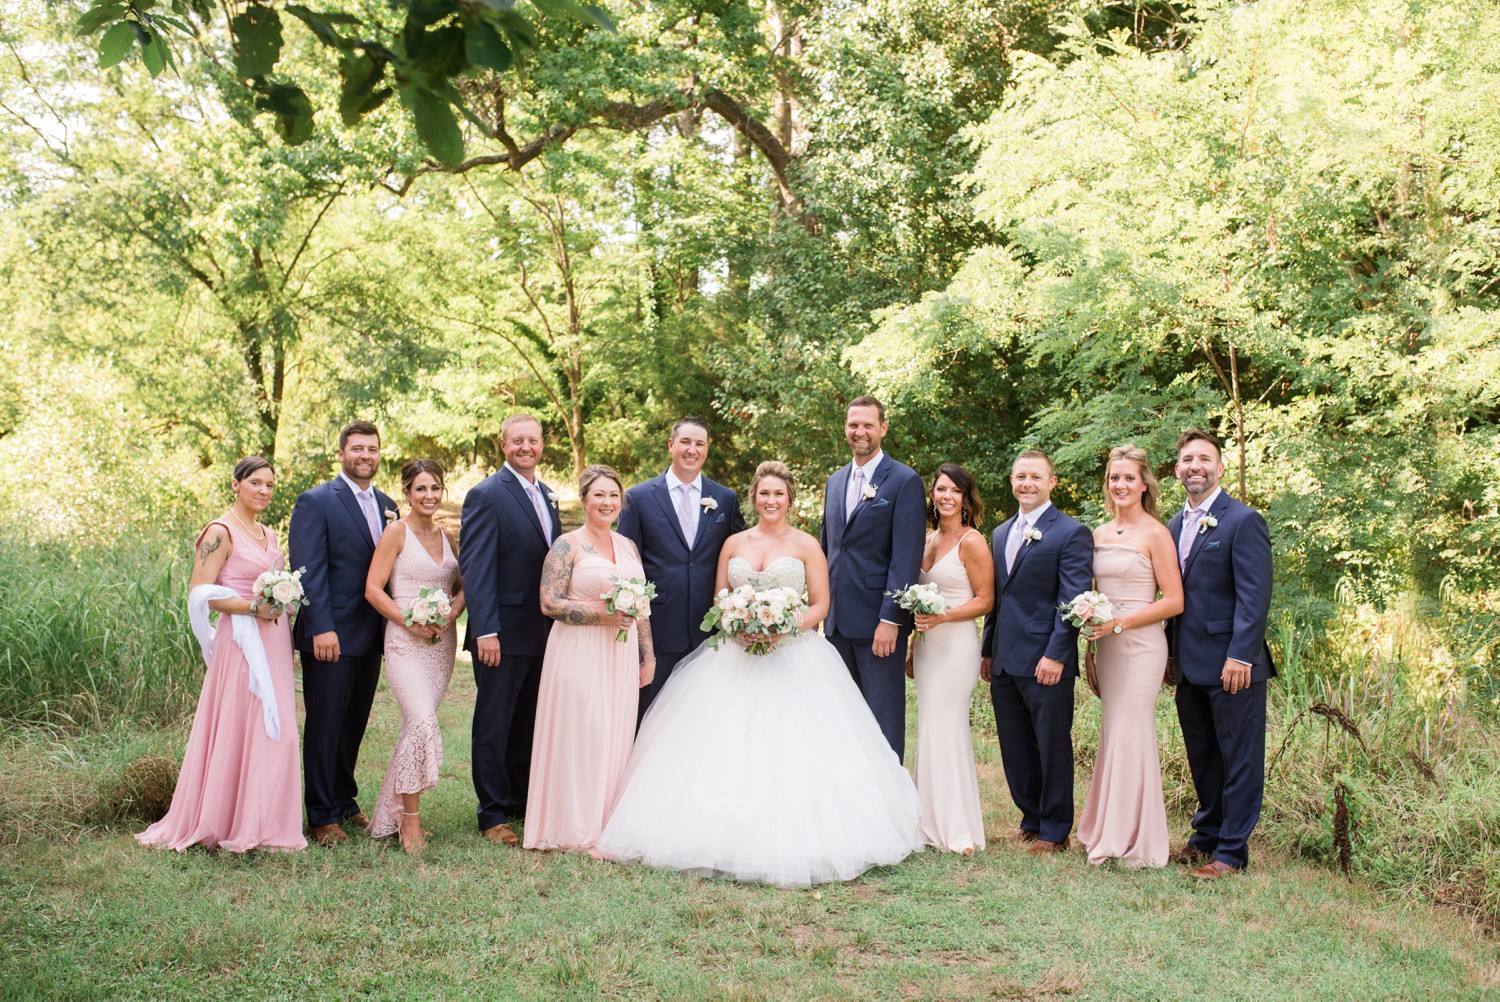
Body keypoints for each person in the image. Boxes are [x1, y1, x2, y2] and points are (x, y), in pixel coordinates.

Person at [598, 461, 923, 887]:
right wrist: (738, 624)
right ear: (754, 497)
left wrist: (782, 627)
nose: (771, 501)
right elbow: (720, 596)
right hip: (736, 654)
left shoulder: (807, 545)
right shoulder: (733, 543)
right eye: (764, 494)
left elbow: (820, 604)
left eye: (779, 494)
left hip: (794, 654)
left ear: (790, 499)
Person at [138, 458, 305, 852]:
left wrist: (285, 602)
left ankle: (269, 826)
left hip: (275, 638)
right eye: (255, 483)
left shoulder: (269, 533)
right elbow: (200, 592)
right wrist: (252, 608)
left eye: (269, 485)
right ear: (236, 484)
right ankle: (225, 821)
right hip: (241, 639)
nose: (263, 491)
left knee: (276, 727)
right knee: (241, 723)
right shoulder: (220, 531)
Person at [524, 465, 654, 853]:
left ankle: (604, 825)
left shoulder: (628, 546)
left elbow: (640, 605)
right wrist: (603, 615)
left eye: (613, 496)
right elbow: (548, 603)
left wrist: (647, 655)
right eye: (599, 495)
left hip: (620, 652)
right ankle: (574, 829)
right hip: (578, 650)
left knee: (614, 733)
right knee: (584, 732)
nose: (607, 502)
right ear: (584, 500)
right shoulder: (568, 545)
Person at [1166, 430, 1276, 879]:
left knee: (1239, 757)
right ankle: (1205, 835)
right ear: (1176, 470)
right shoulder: (1172, 525)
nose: (1195, 466)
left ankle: (1231, 852)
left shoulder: (1242, 520)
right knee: (1204, 756)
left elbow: (1255, 596)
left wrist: (1241, 656)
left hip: (1234, 665)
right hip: (1189, 664)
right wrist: (1170, 656)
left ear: (1220, 468)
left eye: (1204, 459)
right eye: (1187, 459)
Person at [458, 414, 565, 846]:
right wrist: (485, 629)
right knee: (494, 722)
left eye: (533, 441)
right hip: (499, 634)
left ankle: (520, 800)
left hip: (541, 632)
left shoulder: (548, 495)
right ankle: (492, 812)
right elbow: (476, 566)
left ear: (542, 446)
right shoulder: (486, 495)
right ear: (503, 445)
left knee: (529, 722)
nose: (526, 447)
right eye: (517, 440)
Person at [980, 450, 1094, 853]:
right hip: (1006, 658)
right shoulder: (999, 533)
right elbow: (998, 598)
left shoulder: (1071, 532)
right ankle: (1030, 816)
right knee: (1014, 743)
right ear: (1011, 481)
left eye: (1035, 476)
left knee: (1051, 743)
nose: (1026, 483)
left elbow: (1073, 600)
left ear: (1052, 482)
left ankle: (1055, 828)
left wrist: (1057, 655)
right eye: (1019, 476)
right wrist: (987, 650)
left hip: (1046, 658)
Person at [1075, 445, 1184, 867]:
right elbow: (1096, 597)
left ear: (1144, 485)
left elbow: (1174, 600)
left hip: (1141, 646)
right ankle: (1107, 826)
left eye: (1128, 478)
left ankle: (1129, 837)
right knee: (1111, 730)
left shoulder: (1155, 533)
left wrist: (1120, 624)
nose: (1120, 485)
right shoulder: (1099, 534)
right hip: (1106, 645)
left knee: (1130, 730)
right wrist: (1091, 643)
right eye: (1114, 478)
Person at [289, 421, 397, 845]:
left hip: (371, 634)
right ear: (341, 454)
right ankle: (319, 814)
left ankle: (344, 800)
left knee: (354, 721)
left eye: (372, 449)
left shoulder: (389, 505)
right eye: (357, 448)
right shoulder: (316, 501)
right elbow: (308, 569)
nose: (365, 455)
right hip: (331, 635)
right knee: (326, 722)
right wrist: (322, 627)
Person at [364, 460, 465, 854]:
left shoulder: (447, 534)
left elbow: (462, 587)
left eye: (435, 488)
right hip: (405, 642)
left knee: (414, 728)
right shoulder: (396, 532)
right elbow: (373, 589)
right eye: (421, 489)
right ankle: (410, 821)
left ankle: (386, 815)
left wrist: (451, 614)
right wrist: (409, 620)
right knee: (421, 721)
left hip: (440, 644)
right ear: (406, 492)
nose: (429, 496)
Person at [618, 416, 746, 724]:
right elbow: (624, 563)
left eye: (699, 444)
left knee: (703, 722)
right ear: (671, 445)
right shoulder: (638, 498)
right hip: (658, 630)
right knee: (649, 719)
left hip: (710, 633)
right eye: (685, 442)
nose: (692, 450)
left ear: (707, 450)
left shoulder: (725, 499)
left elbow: (741, 555)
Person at [821, 396, 926, 760]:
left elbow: (906, 558)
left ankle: (889, 808)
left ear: (883, 428)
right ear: (845, 428)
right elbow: (829, 550)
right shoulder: (835, 481)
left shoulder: (904, 481)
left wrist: (891, 619)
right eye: (853, 425)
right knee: (841, 719)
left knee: (882, 721)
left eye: (868, 424)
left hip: (877, 625)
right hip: (835, 625)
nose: (859, 432)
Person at [905, 463, 994, 854]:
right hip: (927, 647)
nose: (946, 496)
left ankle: (958, 831)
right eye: (940, 489)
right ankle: (927, 824)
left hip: (956, 645)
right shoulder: (926, 540)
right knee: (929, 729)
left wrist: (943, 616)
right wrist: (912, 644)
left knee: (948, 728)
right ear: (932, 495)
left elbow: (985, 599)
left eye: (954, 491)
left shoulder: (971, 541)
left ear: (965, 498)